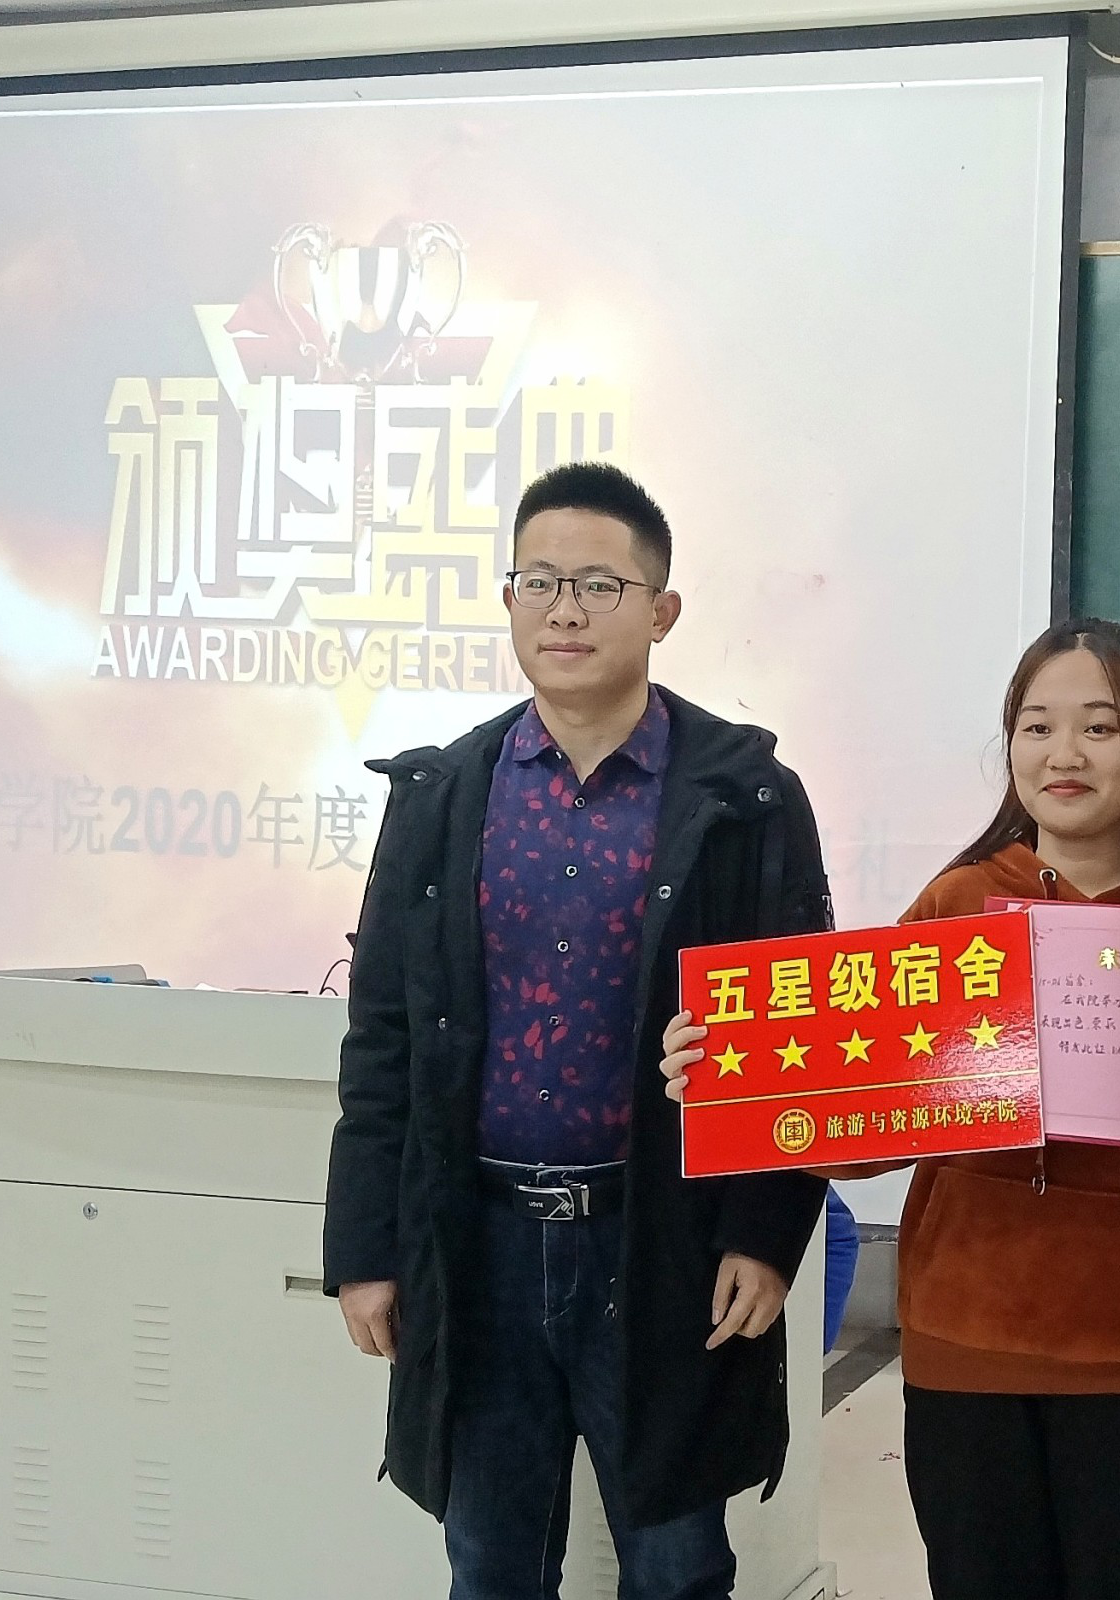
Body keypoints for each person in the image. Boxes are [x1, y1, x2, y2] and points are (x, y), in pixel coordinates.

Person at [663, 619, 1120, 1600]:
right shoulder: (957, 907)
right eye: (1036, 726)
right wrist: (737, 1077)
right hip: (965, 1349)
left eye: (1099, 727)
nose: (1063, 755)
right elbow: (860, 1130)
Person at [324, 460, 832, 1600]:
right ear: (509, 600)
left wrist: (764, 1232)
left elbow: (797, 1030)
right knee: (489, 1557)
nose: (565, 610)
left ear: (662, 610)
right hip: (480, 1238)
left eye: (600, 585)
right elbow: (383, 1039)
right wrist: (364, 1249)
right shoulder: (441, 796)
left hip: (663, 1237)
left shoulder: (744, 799)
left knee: (677, 1560)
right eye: (539, 581)